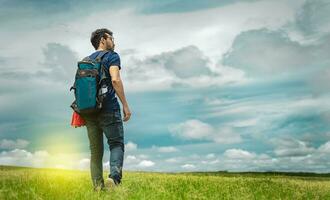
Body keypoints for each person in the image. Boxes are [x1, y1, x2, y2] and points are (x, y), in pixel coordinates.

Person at [80, 28, 131, 191]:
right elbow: (115, 80)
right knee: (116, 144)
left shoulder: (85, 61)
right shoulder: (112, 56)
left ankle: (97, 187)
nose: (114, 42)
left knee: (95, 152)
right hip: (108, 107)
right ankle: (113, 179)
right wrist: (125, 105)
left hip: (89, 111)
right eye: (112, 38)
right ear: (103, 39)